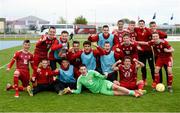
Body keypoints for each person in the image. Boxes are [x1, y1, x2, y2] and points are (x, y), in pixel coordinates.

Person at [63, 64, 144, 97]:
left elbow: (101, 77)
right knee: (116, 94)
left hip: (103, 83)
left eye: (84, 69)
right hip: (100, 90)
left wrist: (105, 75)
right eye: (82, 70)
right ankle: (134, 92)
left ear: (86, 69)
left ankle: (133, 93)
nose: (83, 70)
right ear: (80, 71)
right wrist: (71, 91)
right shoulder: (80, 79)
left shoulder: (92, 72)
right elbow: (78, 91)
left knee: (116, 87)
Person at [135, 19, 154, 85]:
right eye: (140, 23)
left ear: (144, 24)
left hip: (148, 51)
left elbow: (151, 37)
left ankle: (154, 80)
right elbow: (129, 28)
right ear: (138, 24)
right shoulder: (136, 29)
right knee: (143, 66)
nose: (141, 25)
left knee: (152, 66)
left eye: (142, 23)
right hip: (140, 52)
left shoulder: (147, 30)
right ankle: (144, 80)